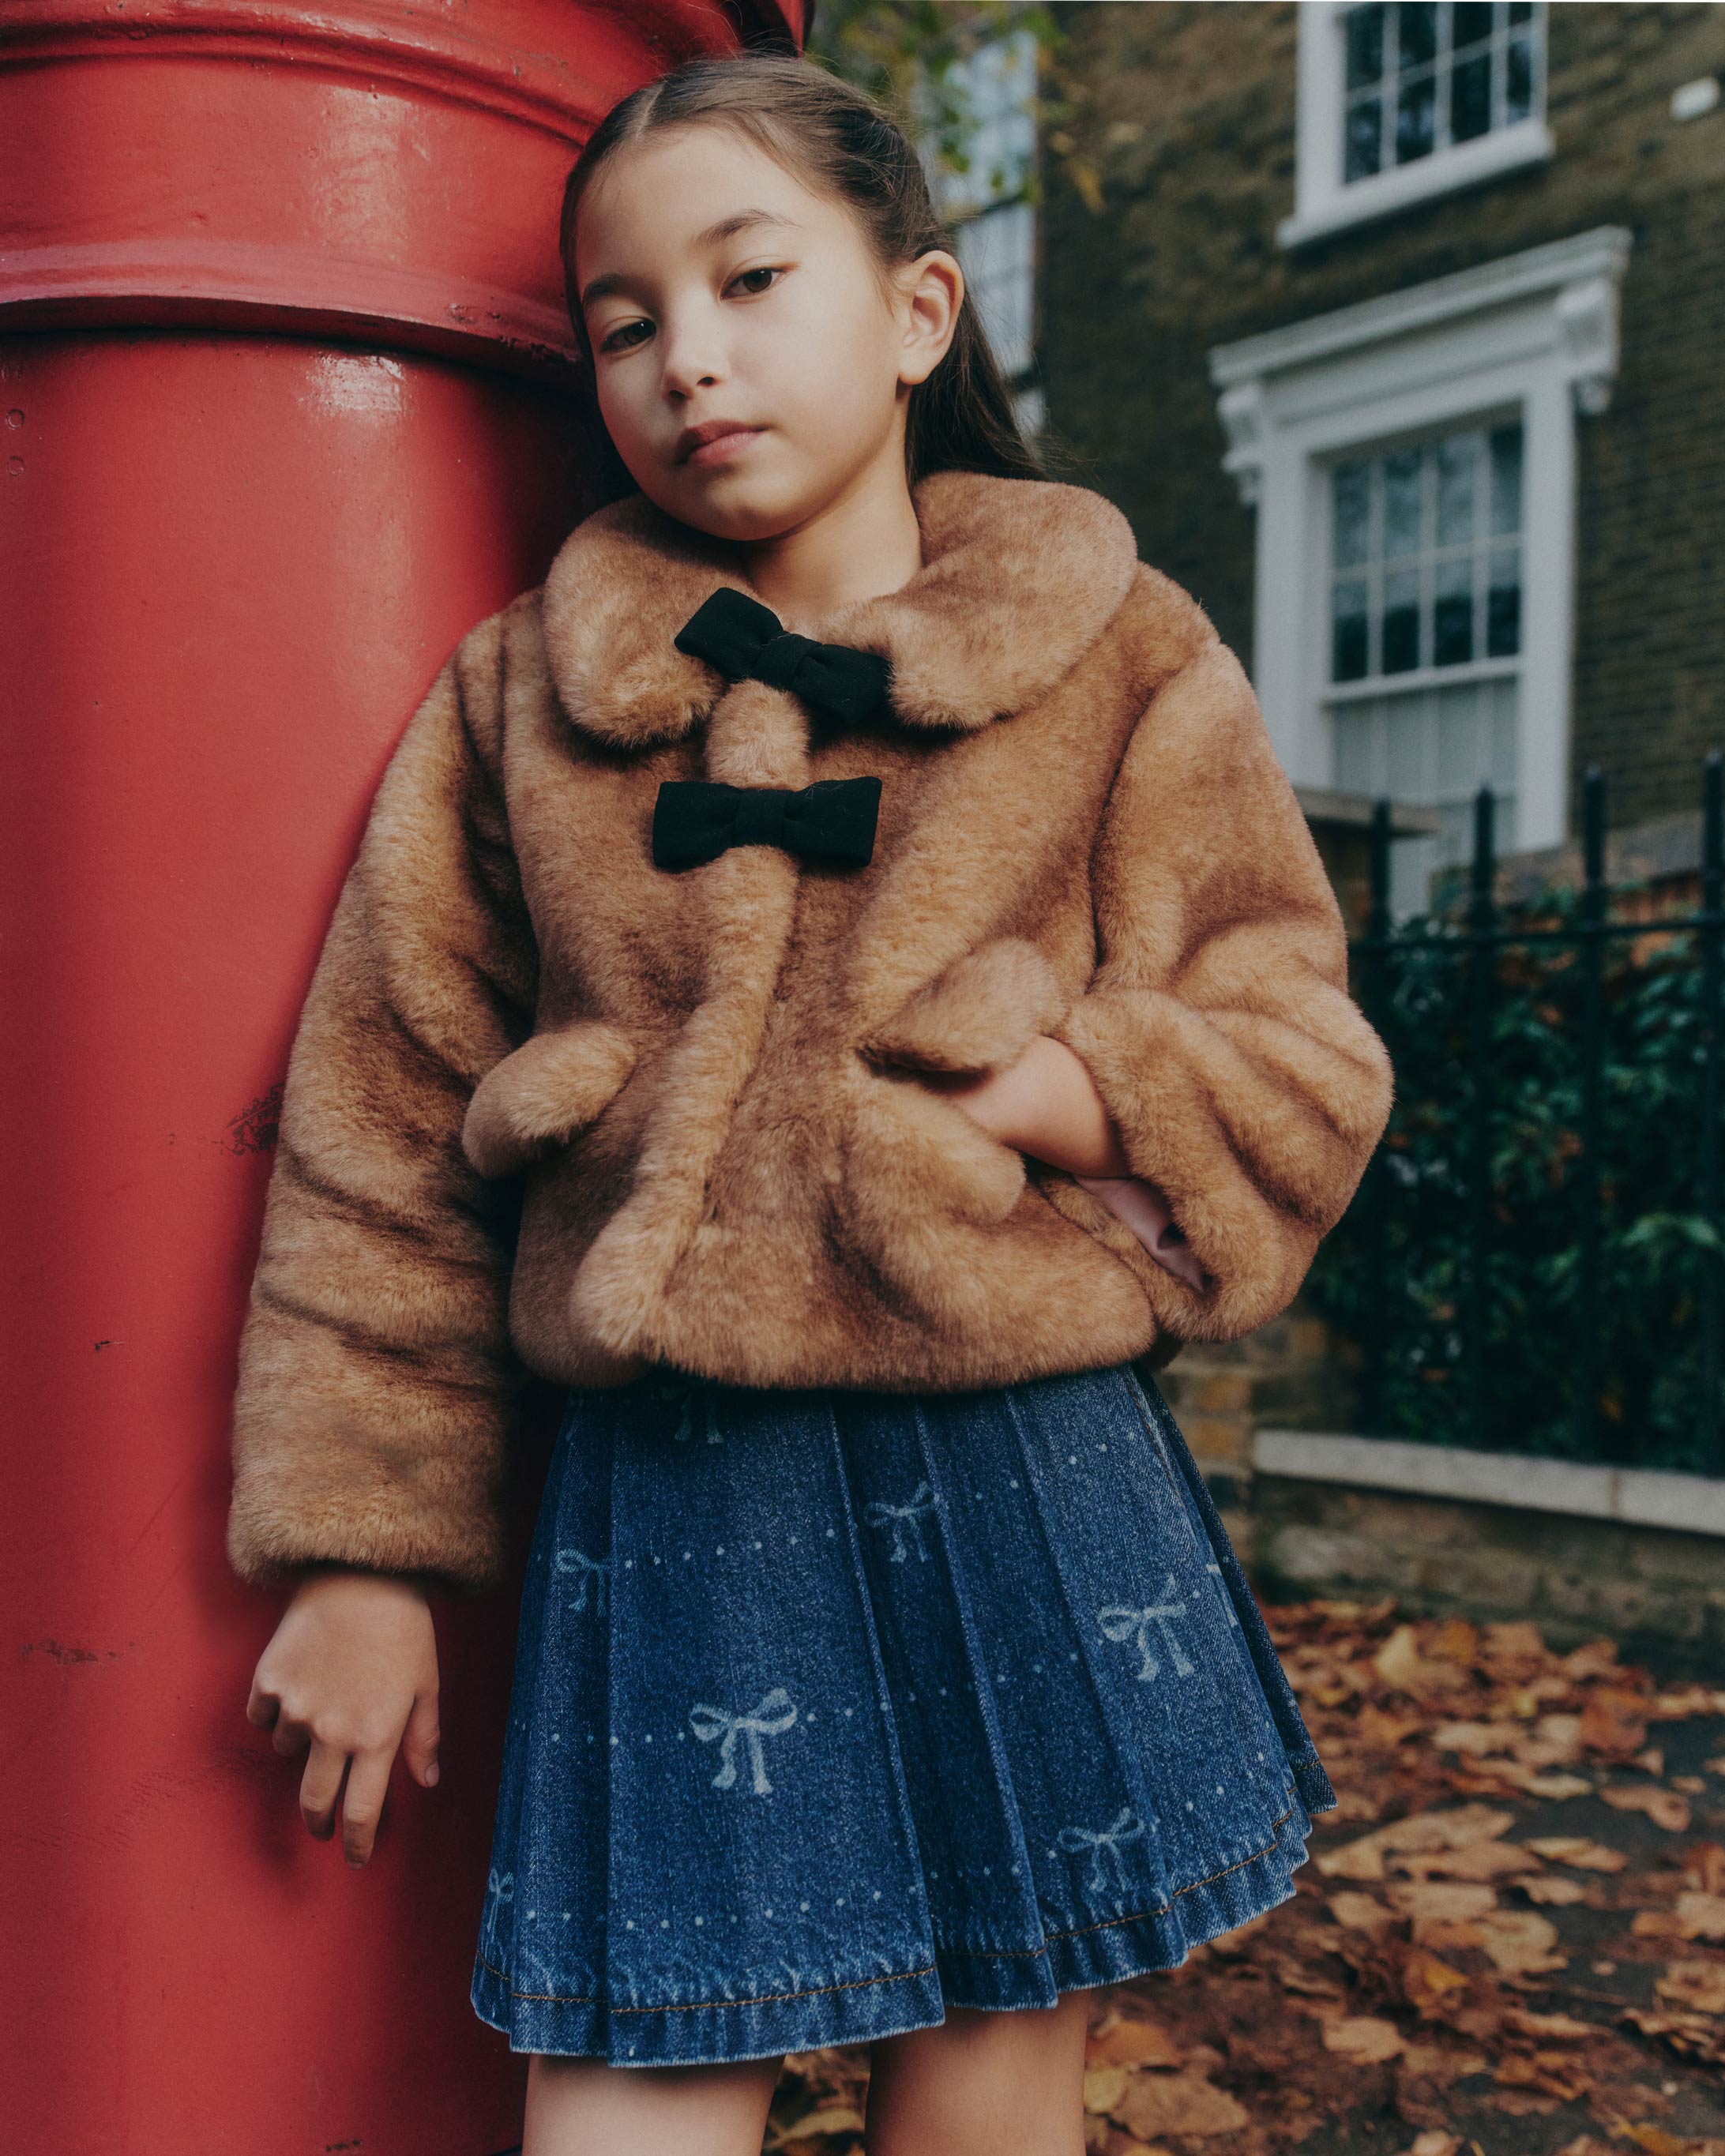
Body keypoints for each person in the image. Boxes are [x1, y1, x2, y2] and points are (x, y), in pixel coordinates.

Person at [230, 49, 1393, 2156]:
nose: (692, 356)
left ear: (919, 313)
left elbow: (1292, 1032)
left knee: (988, 2089)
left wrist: (1070, 1087)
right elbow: (381, 1123)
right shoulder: (524, 695)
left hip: (1023, 1464)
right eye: (626, 320)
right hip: (679, 1491)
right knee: (621, 2097)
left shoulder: (1117, 652)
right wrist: (360, 1550)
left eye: (752, 278)